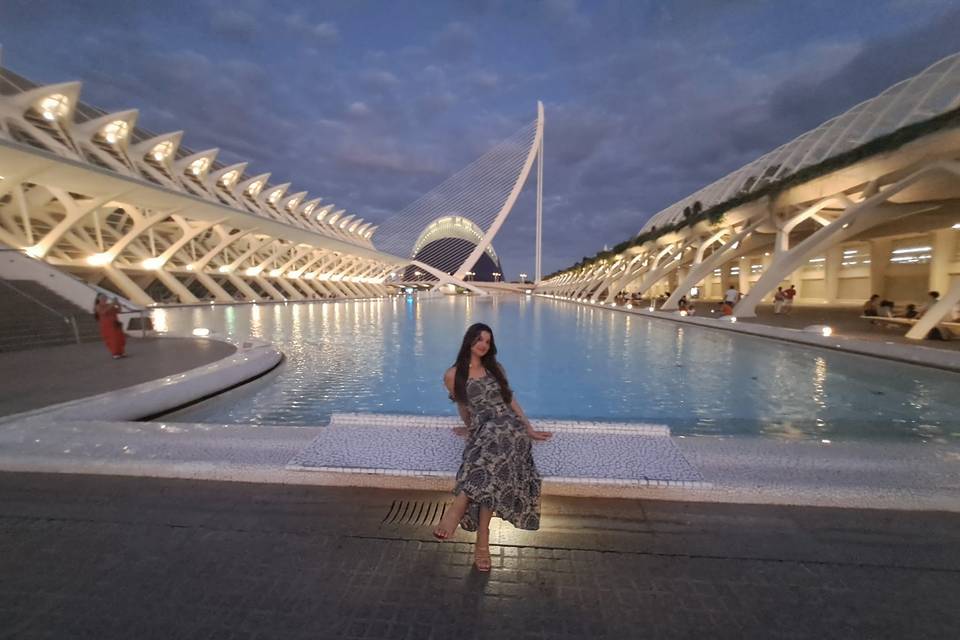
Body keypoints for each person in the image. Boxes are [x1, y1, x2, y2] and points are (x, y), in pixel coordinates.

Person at [433, 323, 551, 572]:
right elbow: (464, 407)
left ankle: (458, 506)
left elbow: (509, 399)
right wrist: (470, 427)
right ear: (469, 341)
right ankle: (482, 541)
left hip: (509, 428)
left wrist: (528, 428)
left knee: (495, 442)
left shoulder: (495, 368)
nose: (483, 344)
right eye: (479, 339)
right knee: (491, 468)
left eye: (487, 341)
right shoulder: (452, 375)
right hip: (486, 430)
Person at [93, 294, 127, 359]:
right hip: (107, 325)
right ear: (98, 298)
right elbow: (103, 312)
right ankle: (115, 353)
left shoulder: (109, 305)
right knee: (112, 339)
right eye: (102, 297)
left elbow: (119, 311)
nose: (104, 298)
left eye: (105, 297)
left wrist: (118, 304)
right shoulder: (97, 306)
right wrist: (112, 304)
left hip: (115, 323)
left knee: (120, 338)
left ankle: (121, 352)